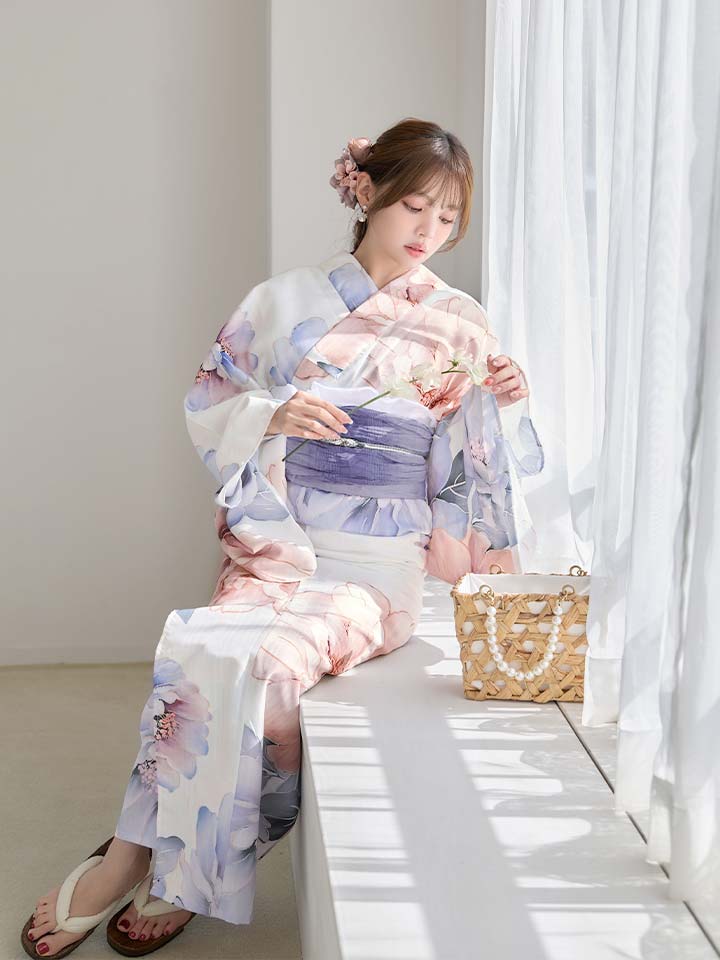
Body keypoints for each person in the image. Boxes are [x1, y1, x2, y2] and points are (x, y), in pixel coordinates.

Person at [22, 117, 544, 958]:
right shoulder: (282, 301)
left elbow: (471, 461)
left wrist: (507, 399)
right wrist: (273, 415)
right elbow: (210, 402)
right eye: (415, 206)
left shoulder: (460, 322)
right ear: (366, 191)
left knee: (268, 669)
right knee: (204, 648)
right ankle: (139, 858)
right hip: (284, 546)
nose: (430, 231)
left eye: (449, 218)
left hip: (375, 571)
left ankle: (171, 862)